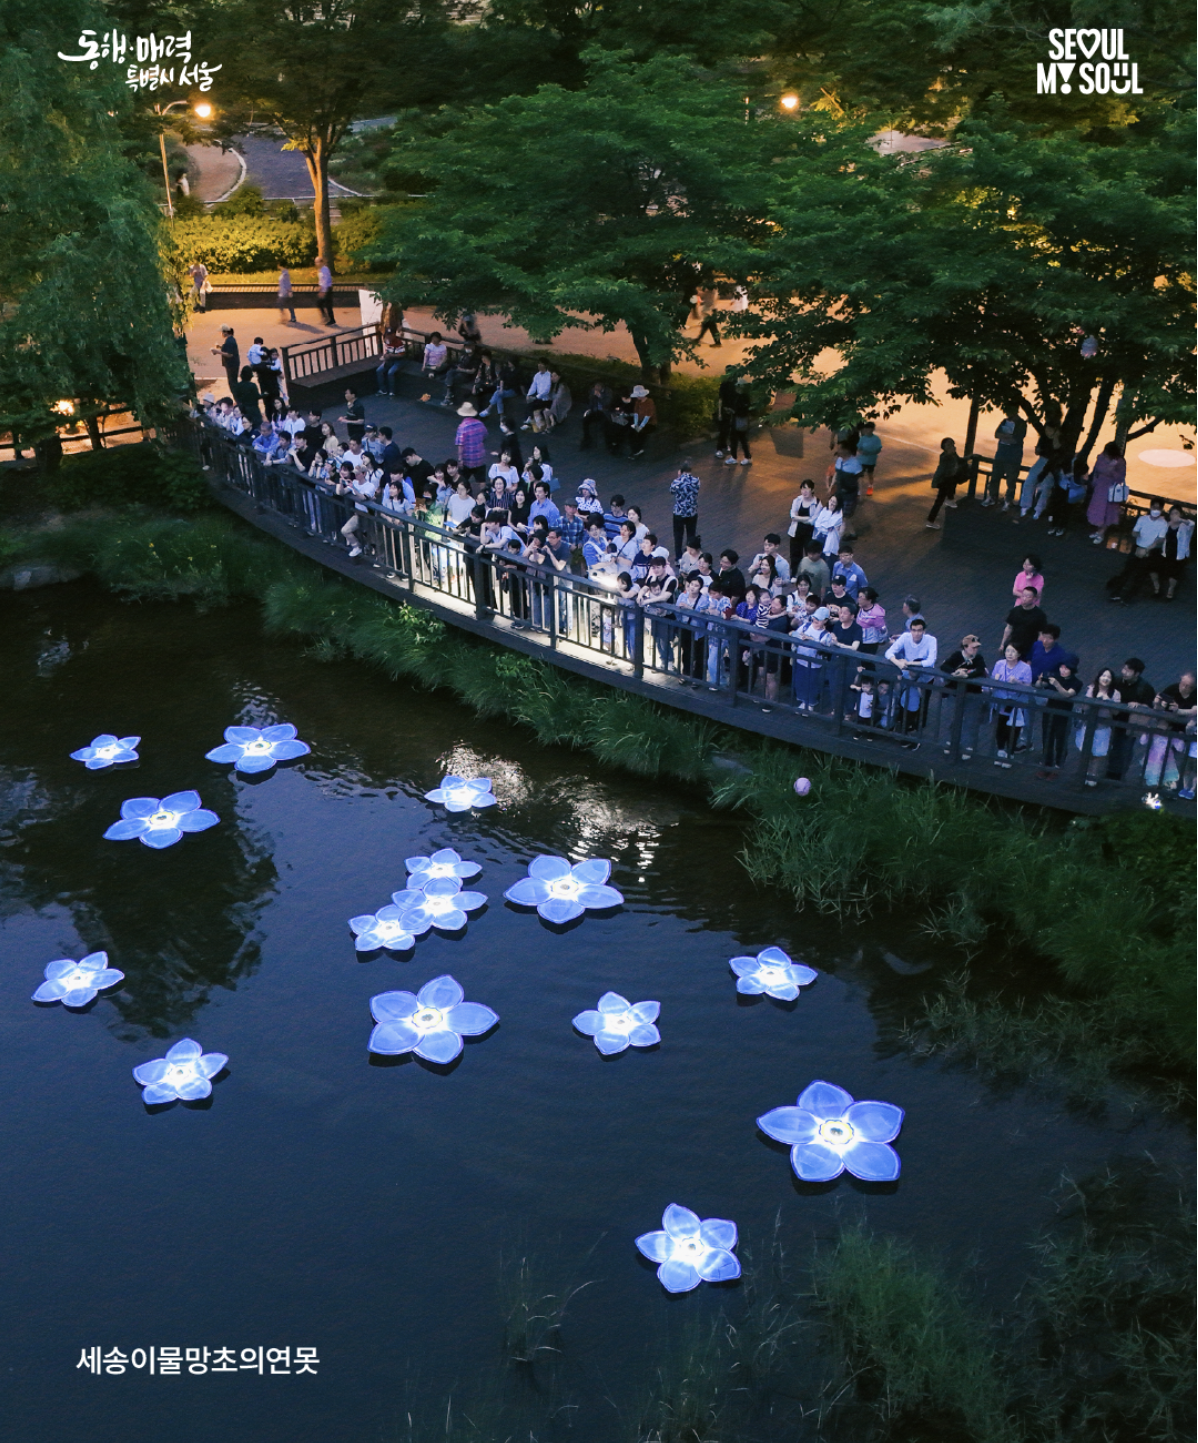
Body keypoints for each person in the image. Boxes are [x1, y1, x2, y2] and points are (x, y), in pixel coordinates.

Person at [1144, 672, 1197, 794]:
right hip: (1166, 727)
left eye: (1187, 685)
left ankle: (1172, 785)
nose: (1183, 687)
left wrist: (1178, 710)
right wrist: (1158, 703)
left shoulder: (1196, 695)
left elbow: (1194, 711)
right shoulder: (1172, 688)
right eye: (1182, 683)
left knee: (1175, 757)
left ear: (1192, 687)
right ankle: (1157, 782)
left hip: (1183, 730)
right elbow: (1158, 708)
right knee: (1161, 756)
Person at [1109, 499, 1170, 603]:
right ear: (1150, 508)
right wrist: (1136, 534)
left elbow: (1160, 539)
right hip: (1137, 547)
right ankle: (1116, 593)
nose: (1156, 510)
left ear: (1161, 510)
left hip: (1150, 551)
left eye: (1158, 508)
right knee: (1127, 571)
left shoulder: (1163, 523)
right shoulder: (1142, 519)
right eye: (1154, 507)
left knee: (1140, 575)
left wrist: (1147, 549)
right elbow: (1134, 532)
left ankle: (1129, 597)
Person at [885, 619, 938, 733]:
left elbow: (930, 661)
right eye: (914, 630)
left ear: (924, 631)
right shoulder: (905, 637)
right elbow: (888, 653)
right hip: (907, 676)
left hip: (925, 678)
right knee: (904, 700)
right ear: (910, 630)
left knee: (922, 704)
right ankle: (902, 725)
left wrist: (909, 663)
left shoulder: (931, 640)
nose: (916, 633)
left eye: (919, 630)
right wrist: (898, 663)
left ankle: (917, 729)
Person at [939, 634, 987, 757]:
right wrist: (955, 672)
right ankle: (951, 742)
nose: (975, 650)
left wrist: (967, 676)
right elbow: (944, 666)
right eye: (973, 647)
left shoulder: (979, 658)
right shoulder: (957, 655)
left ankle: (967, 745)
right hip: (955, 693)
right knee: (953, 718)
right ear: (965, 647)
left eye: (977, 647)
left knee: (970, 721)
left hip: (973, 694)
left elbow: (980, 669)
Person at [1107, 657, 1154, 780]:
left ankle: (1119, 774)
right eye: (1124, 668)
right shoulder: (1116, 681)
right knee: (1113, 745)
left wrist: (1140, 705)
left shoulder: (1145, 688)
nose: (1124, 672)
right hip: (1114, 719)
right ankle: (1110, 771)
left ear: (1137, 673)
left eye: (1128, 670)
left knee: (1125, 748)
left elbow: (1151, 707)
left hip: (1131, 723)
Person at [1036, 658, 1083, 777]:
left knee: (1061, 741)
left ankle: (1058, 766)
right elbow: (1038, 686)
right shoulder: (1055, 676)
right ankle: (1046, 765)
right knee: (1047, 739)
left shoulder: (1076, 682)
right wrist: (1041, 681)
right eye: (1062, 667)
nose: (1063, 670)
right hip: (1049, 712)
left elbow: (1067, 694)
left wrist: (1056, 684)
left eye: (1066, 668)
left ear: (1072, 670)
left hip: (1064, 715)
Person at [989, 644, 1032, 765]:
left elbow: (1028, 686)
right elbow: (992, 679)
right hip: (1001, 700)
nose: (1009, 653)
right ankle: (1001, 751)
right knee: (1000, 726)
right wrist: (995, 680)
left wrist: (1017, 682)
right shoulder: (999, 664)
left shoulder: (1025, 668)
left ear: (1018, 654)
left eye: (1013, 651)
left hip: (1016, 703)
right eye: (1007, 651)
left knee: (1013, 729)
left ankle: (1010, 753)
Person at [1077, 668, 1118, 786]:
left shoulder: (1115, 693)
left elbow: (1116, 712)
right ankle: (1083, 773)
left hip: (1103, 728)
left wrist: (1108, 701)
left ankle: (1092, 774)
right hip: (1088, 726)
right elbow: (1084, 707)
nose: (1105, 679)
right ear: (1099, 677)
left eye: (1108, 677)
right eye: (1103, 676)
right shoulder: (1091, 689)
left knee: (1097, 754)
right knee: (1086, 752)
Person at [983, 411, 1027, 509]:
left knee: (1011, 480)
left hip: (1013, 457)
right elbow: (996, 434)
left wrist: (1004, 436)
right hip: (1001, 454)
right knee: (995, 476)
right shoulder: (1004, 421)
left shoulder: (1021, 424)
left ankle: (1008, 501)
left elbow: (1016, 440)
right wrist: (1007, 437)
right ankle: (992, 497)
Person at [1086, 442, 1128, 543]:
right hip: (1100, 487)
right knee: (1099, 510)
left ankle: (1101, 532)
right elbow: (1096, 470)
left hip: (1111, 490)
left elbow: (1121, 477)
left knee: (1107, 512)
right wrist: (1095, 482)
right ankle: (1099, 530)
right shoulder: (1101, 457)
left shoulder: (1120, 462)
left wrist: (1112, 471)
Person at [926, 437, 967, 529]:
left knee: (952, 485)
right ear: (945, 447)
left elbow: (959, 461)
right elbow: (940, 471)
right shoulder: (945, 457)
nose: (953, 447)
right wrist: (935, 482)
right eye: (950, 445)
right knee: (939, 501)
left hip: (950, 480)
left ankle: (950, 499)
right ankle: (930, 520)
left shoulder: (953, 455)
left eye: (953, 445)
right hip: (944, 481)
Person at [1156, 506, 1193, 601]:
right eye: (1172, 513)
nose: (1174, 515)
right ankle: (1159, 590)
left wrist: (1180, 520)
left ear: (1180, 514)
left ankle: (1170, 591)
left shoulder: (1185, 526)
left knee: (1174, 573)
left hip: (1179, 554)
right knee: (1160, 570)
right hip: (1167, 551)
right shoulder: (1167, 525)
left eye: (1176, 513)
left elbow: (1192, 523)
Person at [1000, 587, 1048, 659]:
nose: (1024, 598)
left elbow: (1041, 634)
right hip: (1014, 646)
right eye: (1023, 595)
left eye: (1028, 596)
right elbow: (1009, 628)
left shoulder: (1040, 615)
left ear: (1034, 598)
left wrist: (1038, 650)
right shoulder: (1015, 611)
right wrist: (1002, 644)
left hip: (1029, 648)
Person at [669, 461, 701, 557]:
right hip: (692, 512)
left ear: (680, 471)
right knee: (691, 534)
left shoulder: (676, 482)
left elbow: (672, 491)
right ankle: (690, 554)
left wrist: (679, 478)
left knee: (678, 536)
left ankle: (678, 557)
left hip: (679, 512)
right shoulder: (696, 481)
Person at [454, 401, 488, 487]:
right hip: (479, 458)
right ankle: (483, 495)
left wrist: (460, 459)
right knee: (481, 480)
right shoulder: (480, 423)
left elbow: (460, 445)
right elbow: (485, 435)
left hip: (467, 459)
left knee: (462, 480)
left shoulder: (462, 427)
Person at [787, 480, 819, 569]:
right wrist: (807, 518)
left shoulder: (817, 503)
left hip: (809, 533)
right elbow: (793, 516)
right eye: (802, 489)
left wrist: (799, 518)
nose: (804, 491)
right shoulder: (797, 500)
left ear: (812, 490)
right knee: (795, 554)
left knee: (809, 554)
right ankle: (794, 573)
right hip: (796, 532)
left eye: (806, 489)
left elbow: (813, 521)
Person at [829, 440, 863, 518]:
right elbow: (837, 474)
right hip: (839, 492)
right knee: (835, 512)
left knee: (845, 517)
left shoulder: (855, 463)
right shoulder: (839, 460)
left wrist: (860, 494)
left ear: (846, 450)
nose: (837, 450)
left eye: (839, 448)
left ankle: (844, 529)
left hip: (849, 494)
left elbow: (859, 480)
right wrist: (832, 486)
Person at [714, 370, 740, 458]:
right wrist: (720, 413)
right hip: (725, 410)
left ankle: (724, 446)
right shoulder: (724, 384)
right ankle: (719, 449)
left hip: (732, 411)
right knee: (723, 431)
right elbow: (720, 399)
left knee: (728, 430)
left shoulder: (735, 384)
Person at [725, 382, 751, 465]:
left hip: (738, 420)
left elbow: (741, 410)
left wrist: (732, 411)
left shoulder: (742, 397)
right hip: (740, 420)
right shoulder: (743, 397)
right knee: (741, 439)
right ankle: (746, 457)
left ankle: (738, 457)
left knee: (738, 439)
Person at [580, 382, 613, 449]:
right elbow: (590, 401)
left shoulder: (608, 392)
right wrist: (592, 397)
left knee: (606, 425)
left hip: (604, 412)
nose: (596, 388)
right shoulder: (593, 391)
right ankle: (587, 439)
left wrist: (600, 396)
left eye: (598, 386)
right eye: (595, 386)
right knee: (585, 421)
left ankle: (609, 445)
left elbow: (607, 404)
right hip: (595, 411)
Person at [812, 494, 845, 558]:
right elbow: (817, 523)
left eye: (834, 502)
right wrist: (824, 527)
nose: (831, 503)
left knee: (827, 558)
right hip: (820, 536)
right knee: (817, 555)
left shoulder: (838, 514)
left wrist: (824, 525)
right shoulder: (824, 510)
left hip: (830, 539)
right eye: (831, 500)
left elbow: (829, 525)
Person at [856, 588, 887, 655]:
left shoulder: (876, 614)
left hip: (870, 643)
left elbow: (882, 628)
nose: (859, 599)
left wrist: (882, 640)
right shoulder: (858, 608)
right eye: (859, 597)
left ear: (869, 600)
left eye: (861, 597)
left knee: (867, 662)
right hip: (858, 639)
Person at [376, 325, 405, 395]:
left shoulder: (399, 343)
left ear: (394, 334)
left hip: (398, 361)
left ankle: (392, 391)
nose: (389, 337)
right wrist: (385, 356)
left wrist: (391, 355)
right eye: (388, 335)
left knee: (390, 373)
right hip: (389, 360)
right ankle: (383, 389)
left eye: (391, 335)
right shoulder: (387, 341)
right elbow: (387, 351)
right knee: (378, 371)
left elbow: (401, 355)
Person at [629, 386, 657, 457]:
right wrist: (635, 424)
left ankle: (637, 450)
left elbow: (648, 416)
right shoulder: (637, 402)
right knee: (631, 432)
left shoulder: (649, 402)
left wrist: (641, 426)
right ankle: (635, 450)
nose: (637, 397)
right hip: (639, 422)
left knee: (640, 433)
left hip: (649, 423)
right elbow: (636, 413)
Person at [856, 422, 882, 495]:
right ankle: (859, 490)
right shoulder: (862, 438)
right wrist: (862, 452)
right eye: (867, 428)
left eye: (869, 428)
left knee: (870, 474)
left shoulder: (876, 439)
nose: (868, 430)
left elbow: (879, 449)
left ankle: (870, 487)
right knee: (860, 475)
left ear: (873, 429)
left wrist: (872, 452)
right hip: (862, 460)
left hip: (871, 460)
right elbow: (858, 448)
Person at [211, 325, 239, 391]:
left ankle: (238, 399)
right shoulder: (230, 339)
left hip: (231, 365)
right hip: (233, 364)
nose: (221, 334)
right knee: (233, 382)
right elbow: (229, 350)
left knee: (232, 384)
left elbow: (229, 354)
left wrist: (217, 351)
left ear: (225, 332)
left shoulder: (229, 341)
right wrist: (220, 347)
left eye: (221, 332)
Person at [316, 256, 335, 325]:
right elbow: (321, 280)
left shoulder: (325, 270)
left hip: (327, 289)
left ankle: (331, 319)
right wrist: (320, 287)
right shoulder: (320, 270)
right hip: (324, 289)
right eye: (316, 262)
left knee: (327, 305)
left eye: (317, 262)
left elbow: (326, 281)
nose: (316, 263)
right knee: (320, 303)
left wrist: (323, 291)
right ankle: (326, 317)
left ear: (321, 262)